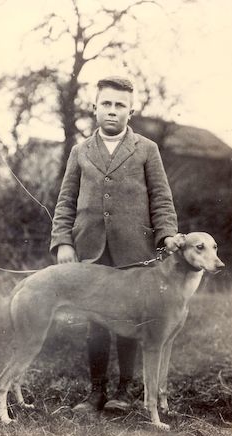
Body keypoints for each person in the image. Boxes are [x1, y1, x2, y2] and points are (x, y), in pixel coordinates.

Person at [50, 76, 178, 413]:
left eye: (120, 105)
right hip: (91, 250)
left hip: (135, 250)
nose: (112, 111)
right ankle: (96, 392)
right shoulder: (80, 151)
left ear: (130, 111)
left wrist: (166, 236)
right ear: (94, 108)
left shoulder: (147, 149)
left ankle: (124, 391)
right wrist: (63, 242)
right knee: (96, 321)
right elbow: (65, 202)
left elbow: (162, 201)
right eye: (106, 104)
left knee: (131, 322)